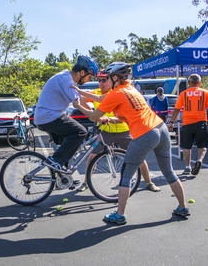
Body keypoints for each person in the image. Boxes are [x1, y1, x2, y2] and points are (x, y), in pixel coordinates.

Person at [73, 62, 190, 225]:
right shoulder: (131, 89)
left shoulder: (116, 93)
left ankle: (120, 215)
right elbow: (127, 114)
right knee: (168, 171)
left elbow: (93, 116)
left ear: (115, 77)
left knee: (126, 174)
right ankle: (183, 207)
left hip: (145, 134)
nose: (105, 80)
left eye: (108, 77)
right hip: (160, 128)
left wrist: (78, 105)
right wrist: (110, 118)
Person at [76, 70, 160, 192]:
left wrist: (108, 119)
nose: (101, 83)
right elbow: (80, 98)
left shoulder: (115, 92)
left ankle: (148, 182)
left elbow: (123, 117)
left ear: (111, 80)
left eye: (104, 80)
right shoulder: (95, 92)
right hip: (105, 132)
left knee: (139, 157)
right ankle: (86, 182)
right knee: (92, 157)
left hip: (124, 131)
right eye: (99, 80)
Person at [34, 56, 98, 173]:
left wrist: (94, 115)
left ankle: (63, 176)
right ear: (82, 72)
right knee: (81, 132)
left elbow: (81, 100)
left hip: (49, 116)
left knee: (70, 147)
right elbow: (77, 103)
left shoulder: (68, 79)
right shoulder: (66, 81)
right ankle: (54, 161)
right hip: (49, 116)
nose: (88, 80)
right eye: (89, 76)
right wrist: (94, 116)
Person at [168, 74, 208, 176]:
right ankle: (199, 160)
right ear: (199, 82)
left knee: (187, 146)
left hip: (187, 123)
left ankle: (187, 167)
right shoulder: (205, 93)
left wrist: (171, 122)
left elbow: (177, 109)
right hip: (201, 122)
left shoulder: (183, 94)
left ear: (189, 83)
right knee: (202, 145)